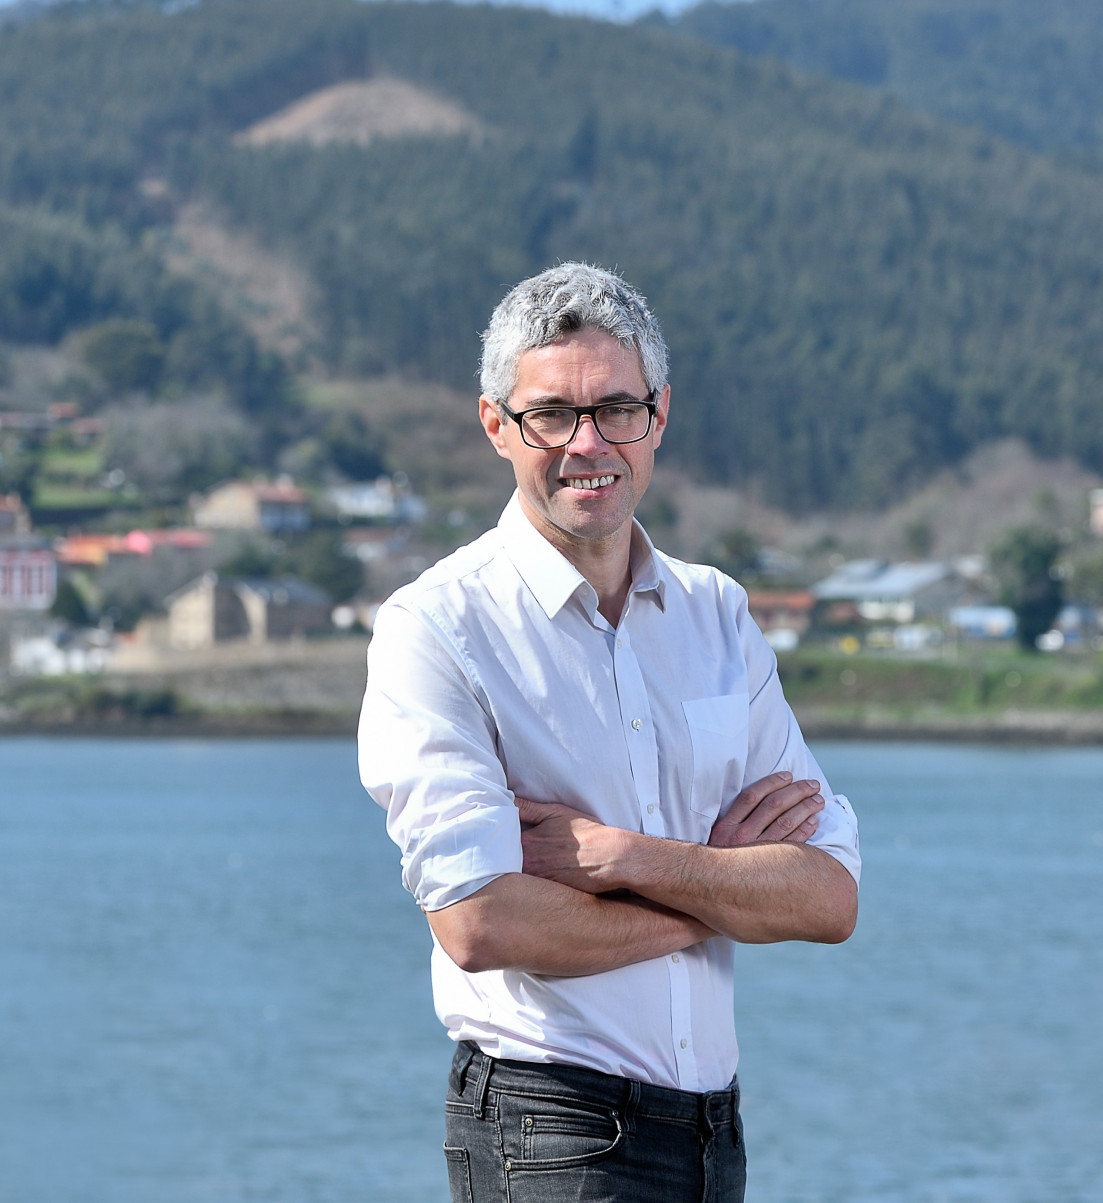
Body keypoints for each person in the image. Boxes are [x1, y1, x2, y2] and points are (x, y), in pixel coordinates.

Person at [358, 262, 860, 1203]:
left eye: (616, 409)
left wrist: (621, 857)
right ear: (496, 425)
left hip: (714, 1134)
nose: (587, 444)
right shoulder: (436, 627)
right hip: (547, 1128)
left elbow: (827, 897)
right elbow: (478, 920)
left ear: (658, 415)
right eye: (551, 414)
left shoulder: (717, 614)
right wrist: (716, 894)